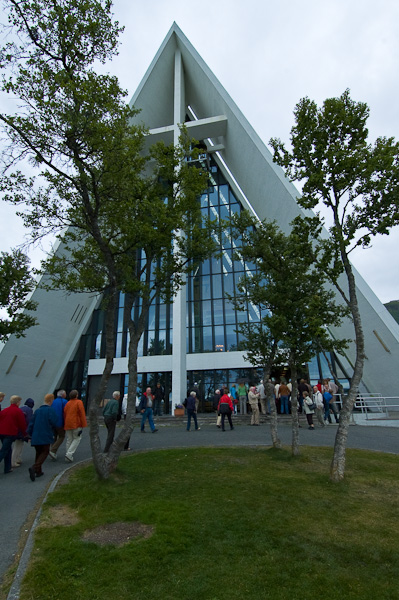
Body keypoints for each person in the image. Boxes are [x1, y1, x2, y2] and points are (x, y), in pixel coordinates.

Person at [28, 393, 58, 481]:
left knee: (38, 452)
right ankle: (34, 467)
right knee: (45, 451)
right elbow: (54, 421)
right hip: (45, 434)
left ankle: (38, 471)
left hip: (36, 435)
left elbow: (31, 423)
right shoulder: (50, 410)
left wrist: (29, 433)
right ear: (51, 400)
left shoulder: (37, 411)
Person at [0, 395, 27, 474]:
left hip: (1, 432)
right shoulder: (18, 411)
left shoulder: (4, 410)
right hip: (10, 433)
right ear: (18, 402)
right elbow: (22, 424)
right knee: (4, 450)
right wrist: (25, 434)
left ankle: (7, 468)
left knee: (8, 449)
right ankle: (7, 468)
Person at [64, 389, 87, 462]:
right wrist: (83, 424)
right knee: (77, 438)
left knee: (69, 439)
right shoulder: (79, 402)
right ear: (76, 395)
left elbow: (65, 412)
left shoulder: (68, 403)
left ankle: (68, 453)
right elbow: (81, 413)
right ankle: (69, 454)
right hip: (76, 423)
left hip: (68, 423)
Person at [12, 398, 34, 467]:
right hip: (22, 430)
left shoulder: (20, 408)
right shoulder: (29, 410)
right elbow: (29, 421)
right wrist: (29, 433)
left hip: (17, 429)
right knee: (18, 445)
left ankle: (17, 458)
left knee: (18, 444)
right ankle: (13, 461)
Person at [49, 389, 68, 460]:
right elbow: (65, 412)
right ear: (63, 395)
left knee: (54, 436)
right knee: (61, 436)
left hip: (52, 422)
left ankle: (53, 451)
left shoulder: (52, 402)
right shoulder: (64, 402)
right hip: (60, 422)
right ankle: (53, 450)